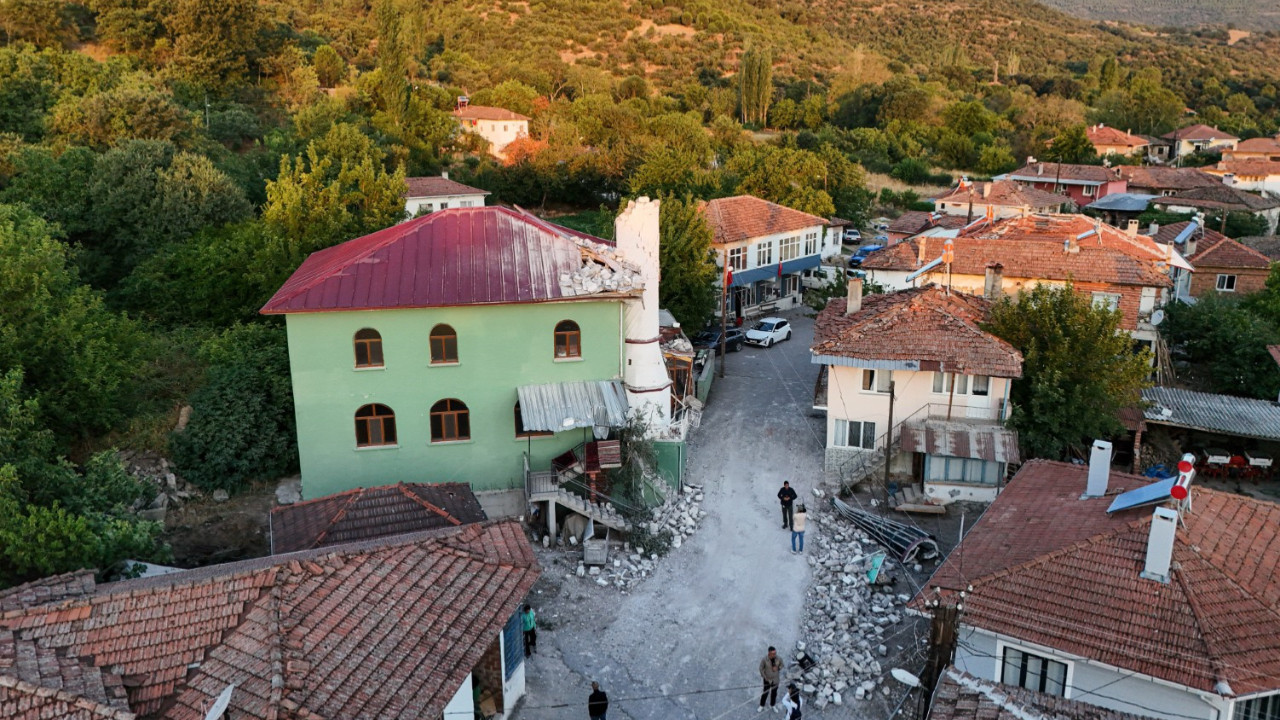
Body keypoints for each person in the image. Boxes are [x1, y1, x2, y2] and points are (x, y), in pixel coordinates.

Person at [759, 646, 782, 712]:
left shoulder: (778, 658)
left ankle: (773, 705)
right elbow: (761, 668)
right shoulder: (764, 659)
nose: (775, 655)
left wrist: (778, 668)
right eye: (773, 653)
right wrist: (764, 676)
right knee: (765, 693)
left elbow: (782, 665)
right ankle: (761, 705)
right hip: (767, 680)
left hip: (775, 680)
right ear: (769, 653)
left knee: (774, 693)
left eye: (775, 653)